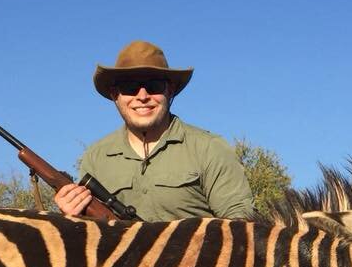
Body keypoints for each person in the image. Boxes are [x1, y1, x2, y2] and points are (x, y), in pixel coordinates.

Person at [54, 41, 254, 221]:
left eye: (154, 85)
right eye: (130, 86)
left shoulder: (209, 148)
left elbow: (239, 225)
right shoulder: (95, 157)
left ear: (170, 90)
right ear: (116, 95)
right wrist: (73, 216)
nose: (142, 96)